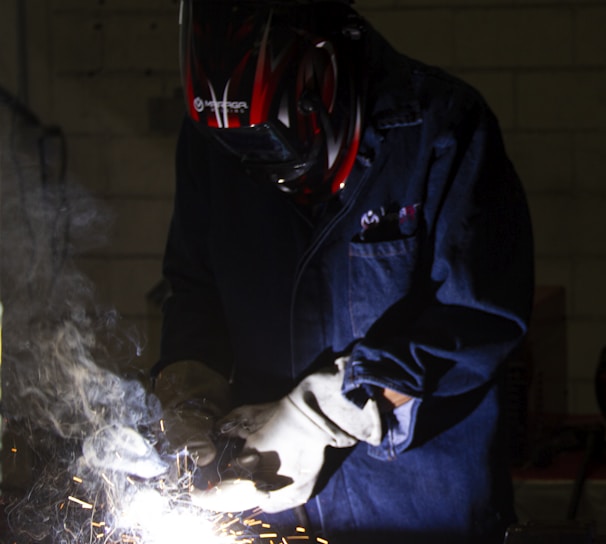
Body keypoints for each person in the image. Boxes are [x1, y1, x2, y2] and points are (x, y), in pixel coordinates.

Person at [152, 1, 534, 543]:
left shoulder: (440, 128)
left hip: (420, 512)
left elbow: (478, 321)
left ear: (322, 76)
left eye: (268, 141)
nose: (256, 166)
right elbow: (194, 291)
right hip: (273, 506)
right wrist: (188, 399)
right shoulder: (209, 143)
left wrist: (328, 413)